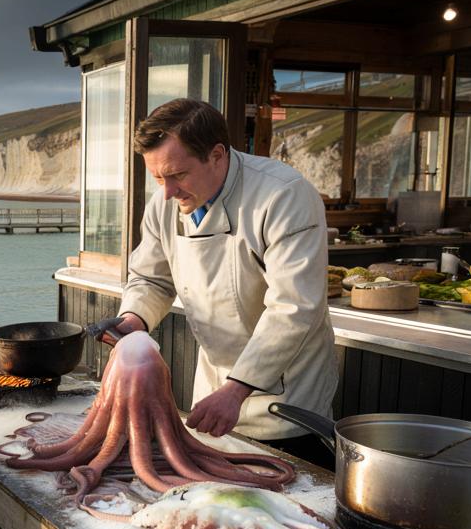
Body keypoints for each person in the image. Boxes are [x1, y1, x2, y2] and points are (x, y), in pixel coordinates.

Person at [110, 98, 337, 469]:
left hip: (287, 404)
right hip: (214, 396)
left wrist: (237, 390)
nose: (167, 192)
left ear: (217, 155)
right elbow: (151, 277)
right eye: (157, 178)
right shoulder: (164, 202)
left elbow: (294, 308)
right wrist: (132, 321)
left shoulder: (284, 196)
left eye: (178, 175)